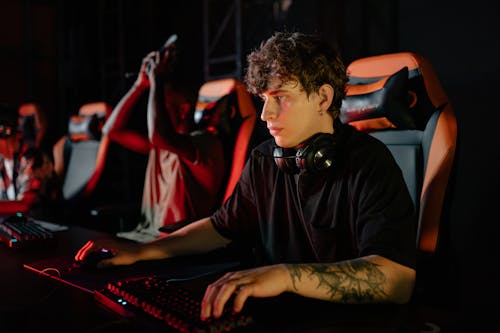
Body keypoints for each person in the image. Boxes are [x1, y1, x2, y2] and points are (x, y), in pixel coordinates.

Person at [75, 32, 417, 320]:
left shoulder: (369, 162)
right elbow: (220, 227)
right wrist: (142, 251)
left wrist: (285, 276)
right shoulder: (266, 159)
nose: (266, 113)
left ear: (323, 97)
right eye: (264, 98)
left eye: (280, 97)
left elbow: (396, 279)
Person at [103, 37, 226, 242]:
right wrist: (139, 85)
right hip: (140, 240)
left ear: (184, 109)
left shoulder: (205, 143)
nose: (152, 109)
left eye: (158, 100)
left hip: (170, 247)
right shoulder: (160, 148)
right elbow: (111, 130)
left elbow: (159, 135)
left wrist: (157, 82)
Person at [0, 102, 62, 220]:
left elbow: (25, 205)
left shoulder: (33, 158)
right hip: (16, 224)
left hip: (43, 226)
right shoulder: (3, 161)